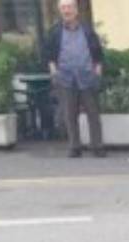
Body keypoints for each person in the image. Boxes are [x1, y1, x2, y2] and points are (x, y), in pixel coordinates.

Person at [42, 0, 105, 158]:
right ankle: (74, 147)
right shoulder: (55, 32)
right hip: (65, 78)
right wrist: (54, 72)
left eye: (69, 7)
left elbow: (98, 53)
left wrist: (97, 71)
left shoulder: (87, 30)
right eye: (63, 8)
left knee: (93, 114)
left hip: (87, 76)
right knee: (69, 115)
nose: (66, 11)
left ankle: (97, 146)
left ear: (76, 10)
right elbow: (48, 55)